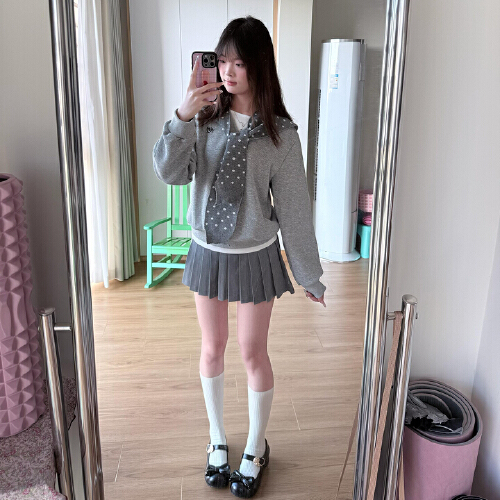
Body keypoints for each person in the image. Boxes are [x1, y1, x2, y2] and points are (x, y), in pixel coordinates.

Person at [152, 16, 326, 499]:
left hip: (255, 254)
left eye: (240, 62)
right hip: (207, 250)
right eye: (222, 60)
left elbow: (293, 210)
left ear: (260, 66)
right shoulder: (202, 120)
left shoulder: (281, 135)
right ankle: (217, 439)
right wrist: (181, 116)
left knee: (252, 352)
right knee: (212, 348)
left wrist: (309, 275)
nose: (228, 71)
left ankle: (255, 445)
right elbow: (170, 173)